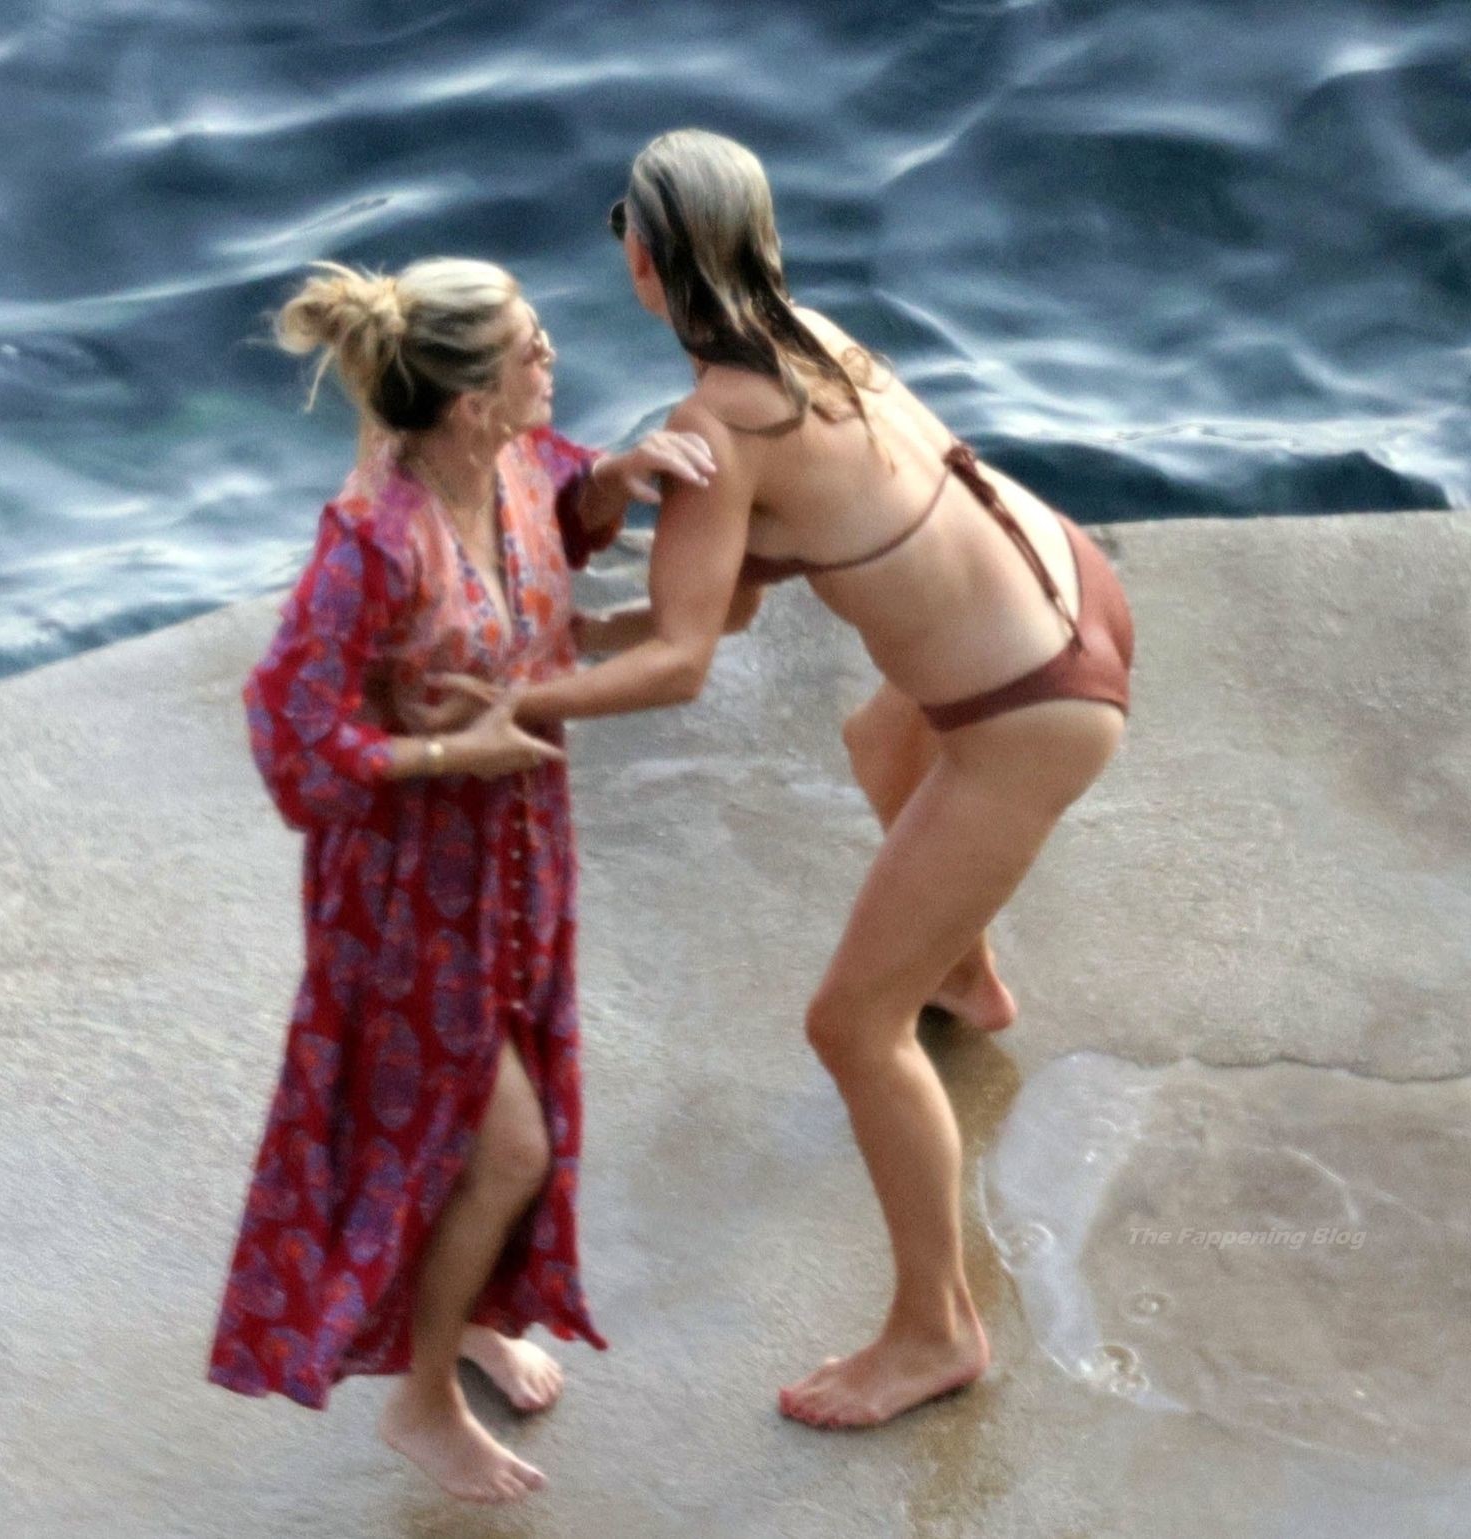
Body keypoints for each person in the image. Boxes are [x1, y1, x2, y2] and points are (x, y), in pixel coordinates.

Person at [444, 130, 1135, 1430]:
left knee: (851, 1027)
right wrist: (583, 630)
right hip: (1074, 591)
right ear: (759, 241)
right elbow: (737, 592)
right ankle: (965, 975)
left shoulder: (713, 424)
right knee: (880, 741)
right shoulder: (814, 340)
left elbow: (683, 663)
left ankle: (936, 1331)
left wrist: (514, 700)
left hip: (1029, 712)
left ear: (645, 267)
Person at [207, 256, 712, 1502]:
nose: (553, 355)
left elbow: (560, 513)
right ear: (473, 402)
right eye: (532, 347)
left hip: (521, 855)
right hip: (408, 894)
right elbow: (288, 725)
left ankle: (474, 1314)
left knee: (488, 1114)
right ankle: (422, 1402)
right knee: (506, 1145)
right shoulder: (374, 543)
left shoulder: (517, 464)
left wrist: (618, 479)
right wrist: (447, 754)